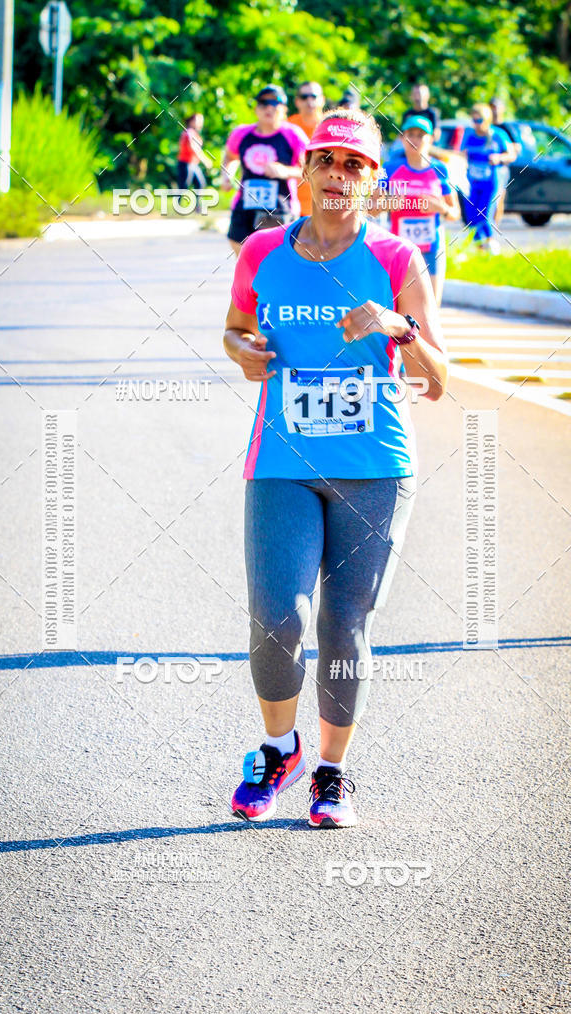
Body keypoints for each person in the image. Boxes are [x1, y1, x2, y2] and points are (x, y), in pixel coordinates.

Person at [223, 109, 448, 829]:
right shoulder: (262, 251)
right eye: (327, 160)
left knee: (346, 623)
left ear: (373, 180)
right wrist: (239, 350)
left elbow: (438, 376)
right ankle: (276, 745)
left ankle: (331, 772)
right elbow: (233, 326)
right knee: (276, 617)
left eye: (355, 165)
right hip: (282, 459)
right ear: (306, 168)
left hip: (375, 466)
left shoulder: (395, 262)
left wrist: (395, 325)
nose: (338, 175)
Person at [374, 114, 459, 306]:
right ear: (402, 138)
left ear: (430, 139)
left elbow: (455, 214)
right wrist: (389, 203)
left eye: (421, 135)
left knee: (432, 306)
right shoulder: (389, 168)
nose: (415, 140)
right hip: (399, 248)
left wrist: (441, 208)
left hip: (431, 247)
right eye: (410, 134)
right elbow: (370, 208)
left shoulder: (440, 169)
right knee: (398, 305)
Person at [221, 85, 309, 255]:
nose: (269, 107)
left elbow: (311, 170)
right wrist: (227, 176)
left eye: (275, 102)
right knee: (242, 255)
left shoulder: (293, 135)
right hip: (245, 205)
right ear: (256, 108)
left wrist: (285, 171)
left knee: (273, 259)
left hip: (279, 208)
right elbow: (230, 158)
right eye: (263, 102)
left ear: (284, 109)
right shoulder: (241, 133)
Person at [460, 103, 517, 251]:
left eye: (479, 121)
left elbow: (511, 155)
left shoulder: (498, 135)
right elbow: (461, 154)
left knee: (485, 214)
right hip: (473, 182)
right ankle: (480, 247)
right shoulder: (469, 135)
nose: (476, 125)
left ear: (487, 120)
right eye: (474, 120)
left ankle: (491, 244)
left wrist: (499, 158)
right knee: (472, 215)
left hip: (492, 181)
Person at [289, 81, 325, 217]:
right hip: (291, 206)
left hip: (323, 207)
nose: (309, 101)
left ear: (322, 100)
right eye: (304, 97)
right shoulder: (288, 127)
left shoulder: (330, 127)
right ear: (297, 101)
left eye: (314, 96)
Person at [489, 97, 522, 225]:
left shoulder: (506, 128)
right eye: (492, 107)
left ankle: (494, 226)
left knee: (498, 199)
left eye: (496, 107)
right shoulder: (487, 127)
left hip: (500, 168)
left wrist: (501, 151)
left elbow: (517, 148)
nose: (494, 111)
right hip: (485, 168)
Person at [177, 114, 212, 211]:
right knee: (184, 186)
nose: (200, 123)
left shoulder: (195, 134)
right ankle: (178, 207)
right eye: (198, 120)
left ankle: (197, 207)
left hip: (193, 164)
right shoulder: (189, 132)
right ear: (191, 121)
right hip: (185, 163)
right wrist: (205, 160)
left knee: (200, 183)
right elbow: (194, 148)